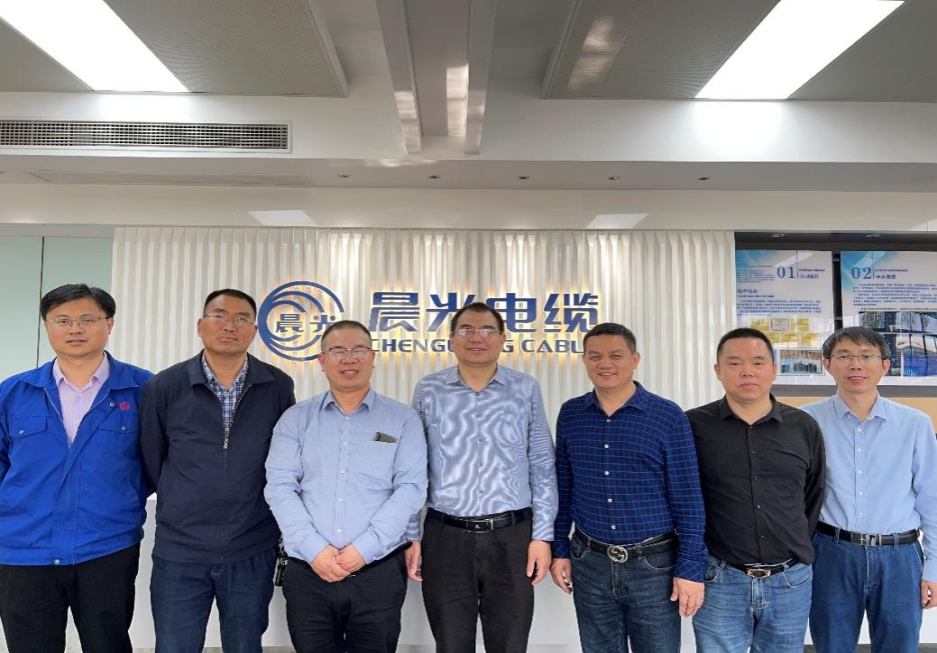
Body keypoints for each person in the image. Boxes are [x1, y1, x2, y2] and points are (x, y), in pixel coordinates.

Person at [140, 288, 295, 653]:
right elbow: (152, 457)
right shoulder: (165, 385)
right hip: (181, 548)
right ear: (200, 325)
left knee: (244, 645)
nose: (229, 325)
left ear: (255, 330)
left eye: (241, 318)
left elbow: (284, 459)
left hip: (251, 545)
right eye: (219, 316)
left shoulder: (277, 385)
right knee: (174, 646)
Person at [0, 284, 152, 653]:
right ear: (47, 326)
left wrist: (122, 499)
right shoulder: (13, 392)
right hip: (24, 548)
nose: (75, 329)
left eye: (87, 319)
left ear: (109, 323)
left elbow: (157, 461)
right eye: (62, 320)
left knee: (108, 645)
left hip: (107, 545)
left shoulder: (143, 389)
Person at [265, 320, 427, 653]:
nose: (349, 358)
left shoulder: (402, 420)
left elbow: (411, 488)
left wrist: (363, 550)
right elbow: (279, 486)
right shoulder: (296, 419)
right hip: (308, 573)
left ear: (373, 357)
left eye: (359, 350)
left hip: (378, 572)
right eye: (338, 350)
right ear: (322, 360)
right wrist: (315, 550)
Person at [405, 302, 558, 653]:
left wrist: (542, 536)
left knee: (510, 643)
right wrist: (412, 535)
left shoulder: (525, 389)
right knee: (451, 643)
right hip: (446, 536)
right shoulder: (429, 390)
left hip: (512, 536)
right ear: (451, 338)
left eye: (487, 330)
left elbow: (542, 465)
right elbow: (414, 468)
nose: (477, 337)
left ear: (502, 338)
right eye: (466, 330)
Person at [550, 322, 707, 653]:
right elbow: (563, 488)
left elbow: (689, 499)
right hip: (589, 561)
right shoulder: (572, 414)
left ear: (635, 360)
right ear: (584, 361)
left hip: (654, 566)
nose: (605, 364)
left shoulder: (667, 416)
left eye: (616, 355)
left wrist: (691, 567)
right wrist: (560, 549)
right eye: (595, 356)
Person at [687, 327, 825, 653]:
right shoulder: (693, 425)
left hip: (789, 580)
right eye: (735, 363)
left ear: (774, 369)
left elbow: (813, 493)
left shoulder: (803, 426)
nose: (747, 371)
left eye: (758, 362)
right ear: (718, 370)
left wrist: (796, 549)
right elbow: (682, 499)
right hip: (720, 579)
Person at [801, 326, 937, 653]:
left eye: (866, 356)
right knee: (832, 646)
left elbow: (932, 498)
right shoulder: (805, 421)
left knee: (899, 646)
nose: (856, 365)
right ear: (827, 364)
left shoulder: (915, 423)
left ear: (885, 366)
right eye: (844, 356)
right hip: (831, 552)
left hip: (900, 557)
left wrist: (934, 567)